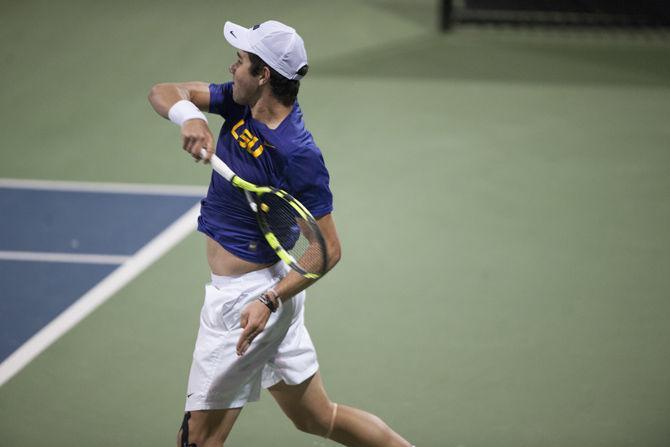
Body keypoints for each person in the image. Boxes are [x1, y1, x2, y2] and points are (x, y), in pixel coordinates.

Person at [149, 20, 413, 447]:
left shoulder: (297, 154)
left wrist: (268, 300)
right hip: (265, 299)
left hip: (247, 304)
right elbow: (163, 90)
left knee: (197, 439)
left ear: (263, 74)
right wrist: (189, 118)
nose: (232, 67)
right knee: (316, 418)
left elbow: (326, 249)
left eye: (240, 61)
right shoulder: (239, 102)